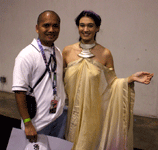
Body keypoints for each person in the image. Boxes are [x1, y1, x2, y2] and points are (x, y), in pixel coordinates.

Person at [62, 10, 153, 150]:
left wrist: (129, 79)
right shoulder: (67, 51)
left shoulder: (105, 54)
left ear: (97, 28)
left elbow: (112, 85)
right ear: (78, 27)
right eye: (82, 25)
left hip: (92, 117)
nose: (85, 29)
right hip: (69, 115)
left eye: (90, 26)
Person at [12, 10, 66, 143]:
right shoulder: (26, 55)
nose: (51, 30)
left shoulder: (58, 53)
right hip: (37, 125)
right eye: (46, 25)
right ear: (37, 28)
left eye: (55, 26)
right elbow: (19, 92)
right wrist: (27, 123)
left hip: (58, 119)